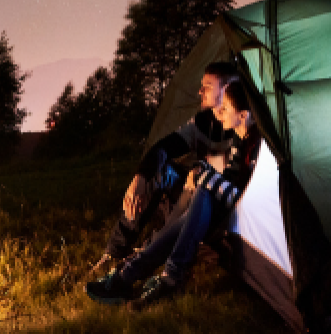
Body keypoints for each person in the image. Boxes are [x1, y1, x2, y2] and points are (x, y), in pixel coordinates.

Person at [86, 79, 263, 308]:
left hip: (239, 216)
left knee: (202, 191)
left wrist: (202, 176)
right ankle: (140, 270)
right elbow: (223, 178)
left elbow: (240, 198)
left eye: (225, 107)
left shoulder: (257, 145)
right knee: (191, 186)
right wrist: (199, 172)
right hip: (210, 204)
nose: (219, 110)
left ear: (242, 114)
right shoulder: (237, 135)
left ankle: (143, 275)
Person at [94, 61, 241, 272]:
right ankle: (115, 252)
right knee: (158, 171)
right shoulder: (202, 123)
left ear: (227, 89)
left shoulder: (243, 124)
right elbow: (163, 148)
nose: (200, 91)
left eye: (207, 86)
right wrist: (140, 178)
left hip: (219, 209)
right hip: (191, 196)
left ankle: (157, 251)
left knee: (195, 188)